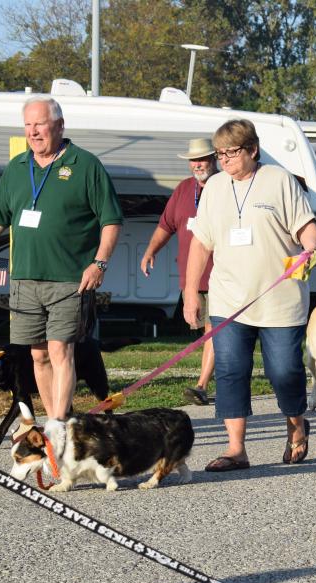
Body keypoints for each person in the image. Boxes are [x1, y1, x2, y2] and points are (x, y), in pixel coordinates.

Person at [0, 95, 122, 421]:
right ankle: (57, 423)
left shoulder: (85, 165)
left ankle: (58, 424)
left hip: (70, 280)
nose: (33, 132)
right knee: (38, 356)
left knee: (60, 350)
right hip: (25, 279)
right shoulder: (17, 168)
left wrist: (99, 263)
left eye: (40, 124)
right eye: (28, 125)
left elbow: (111, 220)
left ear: (59, 125)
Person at [182, 119, 316, 471]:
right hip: (229, 299)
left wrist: (309, 250)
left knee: (284, 372)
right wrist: (189, 292)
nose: (224, 159)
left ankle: (296, 426)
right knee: (230, 370)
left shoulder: (280, 180)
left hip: (280, 299)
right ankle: (236, 450)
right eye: (221, 153)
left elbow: (307, 228)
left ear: (252, 149)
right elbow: (200, 243)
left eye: (232, 152)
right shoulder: (214, 186)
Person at [140, 137, 218, 405]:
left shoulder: (225, 186)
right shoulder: (184, 189)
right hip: (191, 277)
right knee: (201, 326)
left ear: (214, 159)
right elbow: (166, 225)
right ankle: (214, 377)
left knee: (214, 329)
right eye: (194, 160)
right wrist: (151, 250)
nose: (198, 164)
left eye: (203, 159)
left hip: (221, 274)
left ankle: (202, 384)